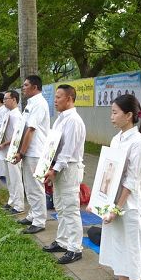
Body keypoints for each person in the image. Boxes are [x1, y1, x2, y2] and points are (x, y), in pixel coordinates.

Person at [97, 94, 141, 280]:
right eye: (111, 111)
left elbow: (131, 182)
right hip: (115, 203)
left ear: (129, 115)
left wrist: (116, 208)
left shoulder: (138, 143)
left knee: (132, 249)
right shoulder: (117, 139)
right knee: (118, 246)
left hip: (131, 206)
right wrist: (102, 202)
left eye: (115, 112)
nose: (112, 116)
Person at [42, 84, 86, 264]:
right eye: (55, 97)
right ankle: (62, 241)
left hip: (69, 169)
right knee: (60, 206)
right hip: (58, 167)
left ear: (69, 99)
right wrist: (47, 164)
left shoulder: (73, 120)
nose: (55, 100)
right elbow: (53, 146)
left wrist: (54, 169)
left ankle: (75, 248)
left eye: (59, 97)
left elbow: (67, 151)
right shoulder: (60, 119)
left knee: (70, 208)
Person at [13, 75, 50, 234]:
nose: (23, 87)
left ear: (35, 87)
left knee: (35, 187)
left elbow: (31, 130)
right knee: (29, 186)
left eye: (26, 85)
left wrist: (21, 151)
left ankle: (40, 220)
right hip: (28, 150)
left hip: (35, 151)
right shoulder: (31, 103)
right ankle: (33, 214)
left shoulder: (40, 104)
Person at [0, 90, 25, 215]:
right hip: (6, 150)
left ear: (14, 100)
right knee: (9, 178)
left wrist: (4, 144)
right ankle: (12, 200)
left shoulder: (16, 115)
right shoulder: (8, 113)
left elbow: (16, 135)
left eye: (6, 98)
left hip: (13, 150)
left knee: (16, 178)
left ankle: (19, 204)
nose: (4, 101)